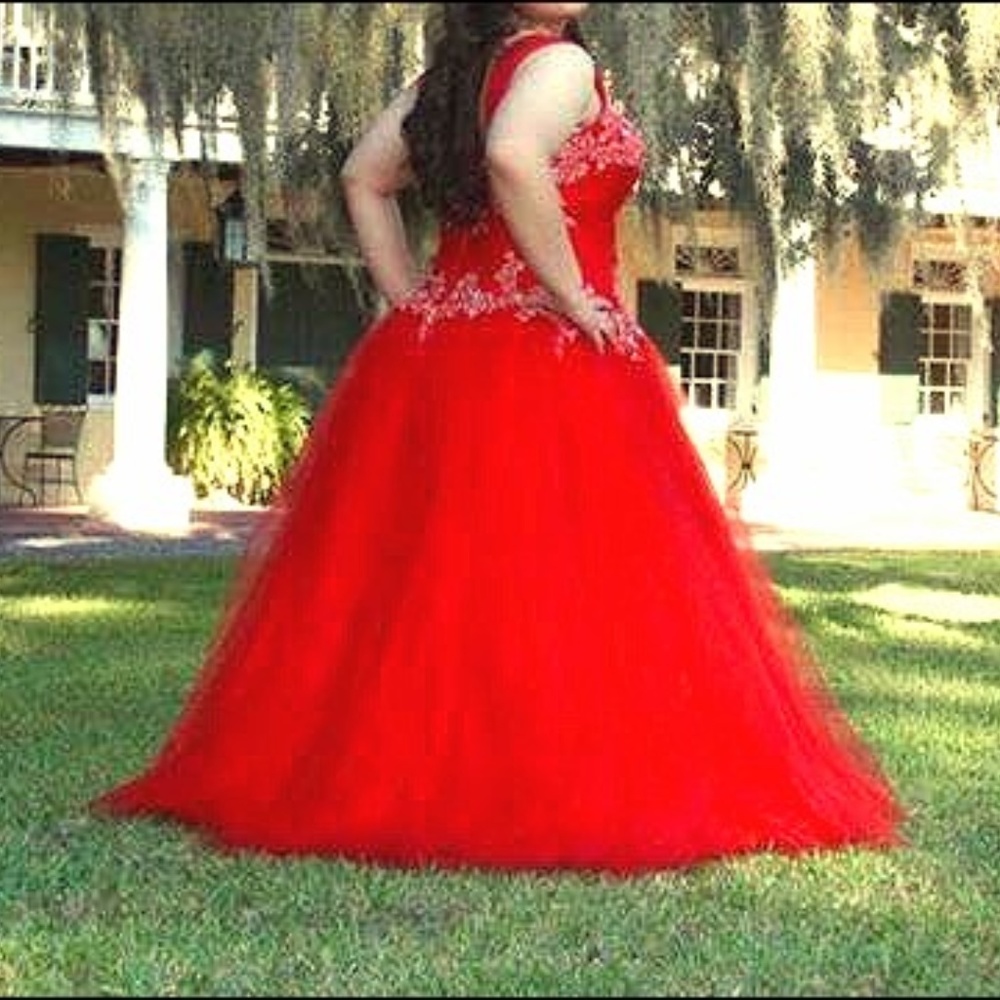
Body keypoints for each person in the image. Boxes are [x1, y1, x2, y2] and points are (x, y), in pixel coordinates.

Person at [93, 2, 906, 874]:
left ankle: (425, 770)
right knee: (561, 579)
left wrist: (416, 302)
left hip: (443, 351)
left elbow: (364, 176)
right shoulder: (555, 66)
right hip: (549, 355)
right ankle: (531, 777)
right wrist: (568, 293)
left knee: (439, 581)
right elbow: (514, 156)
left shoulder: (450, 77)